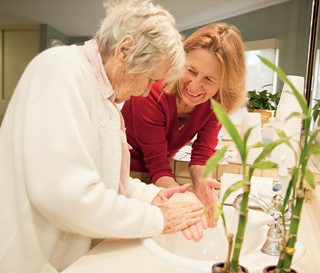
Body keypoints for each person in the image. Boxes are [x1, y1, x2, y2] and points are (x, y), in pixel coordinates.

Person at [0, 1, 206, 272]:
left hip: (64, 256)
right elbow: (65, 195)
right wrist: (158, 218)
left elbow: (107, 181)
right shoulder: (61, 71)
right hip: (25, 259)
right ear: (125, 50)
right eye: (148, 78)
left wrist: (154, 196)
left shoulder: (106, 99)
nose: (146, 92)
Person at [121, 22, 247, 226]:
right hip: (126, 175)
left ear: (223, 84)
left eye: (209, 79)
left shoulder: (216, 102)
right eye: (191, 70)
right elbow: (158, 165)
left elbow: (202, 154)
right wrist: (183, 201)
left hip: (159, 175)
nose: (195, 86)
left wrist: (202, 181)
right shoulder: (151, 92)